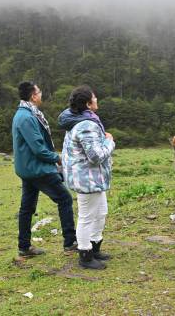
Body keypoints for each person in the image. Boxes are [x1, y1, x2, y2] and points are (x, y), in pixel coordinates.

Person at [12, 81, 77, 257]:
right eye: (39, 91)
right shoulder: (27, 117)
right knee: (64, 199)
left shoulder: (25, 114)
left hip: (27, 168)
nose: (41, 94)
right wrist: (58, 159)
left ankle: (24, 247)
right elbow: (38, 148)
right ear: (33, 95)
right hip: (37, 169)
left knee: (27, 207)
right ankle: (70, 242)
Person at [58, 85, 115, 270]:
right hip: (87, 178)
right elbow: (96, 155)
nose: (97, 99)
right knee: (87, 216)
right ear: (88, 104)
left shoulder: (82, 120)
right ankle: (85, 255)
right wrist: (110, 141)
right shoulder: (86, 125)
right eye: (95, 97)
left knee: (101, 212)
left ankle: (94, 247)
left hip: (92, 177)